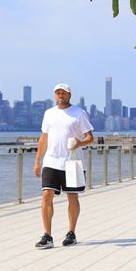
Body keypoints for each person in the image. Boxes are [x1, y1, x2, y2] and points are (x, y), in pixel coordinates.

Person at [33, 82, 93, 248]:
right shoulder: (49, 113)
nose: (60, 95)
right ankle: (47, 235)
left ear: (69, 95)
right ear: (55, 95)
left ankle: (71, 233)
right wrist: (38, 161)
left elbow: (90, 137)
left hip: (72, 162)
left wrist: (79, 143)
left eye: (63, 93)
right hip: (51, 161)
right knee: (46, 195)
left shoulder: (79, 113)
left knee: (72, 196)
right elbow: (43, 138)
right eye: (57, 93)